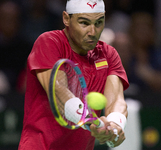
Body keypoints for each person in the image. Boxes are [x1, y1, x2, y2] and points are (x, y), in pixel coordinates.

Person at [18, 0, 129, 150]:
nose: (92, 32)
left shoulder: (108, 54)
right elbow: (59, 90)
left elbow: (116, 99)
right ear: (66, 19)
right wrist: (90, 121)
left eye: (98, 23)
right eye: (84, 23)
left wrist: (115, 125)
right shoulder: (49, 42)